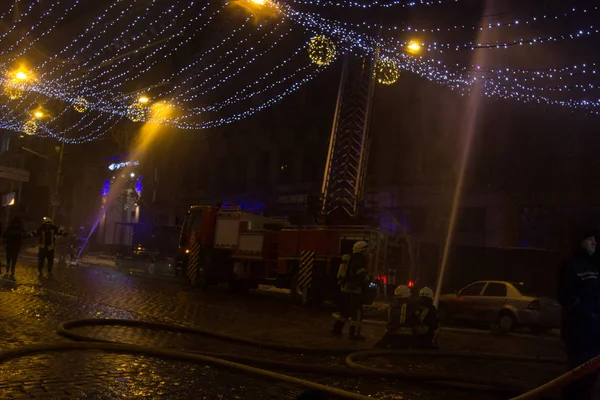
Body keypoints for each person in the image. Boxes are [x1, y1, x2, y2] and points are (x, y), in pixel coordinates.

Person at [557, 228, 600, 400]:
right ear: (580, 242)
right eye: (590, 239)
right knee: (578, 375)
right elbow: (566, 296)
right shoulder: (570, 265)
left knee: (591, 376)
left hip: (595, 332)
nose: (594, 243)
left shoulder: (595, 267)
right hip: (578, 331)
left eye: (595, 240)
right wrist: (588, 315)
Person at [332, 240, 370, 340]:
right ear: (362, 250)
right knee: (357, 313)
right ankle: (354, 334)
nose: (368, 253)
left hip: (345, 289)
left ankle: (336, 329)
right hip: (354, 290)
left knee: (344, 311)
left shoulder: (350, 258)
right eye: (366, 250)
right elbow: (361, 275)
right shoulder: (360, 260)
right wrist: (369, 279)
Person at [374, 284, 418, 349]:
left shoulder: (393, 306)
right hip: (406, 338)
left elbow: (389, 320)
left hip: (392, 334)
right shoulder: (410, 306)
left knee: (380, 347)